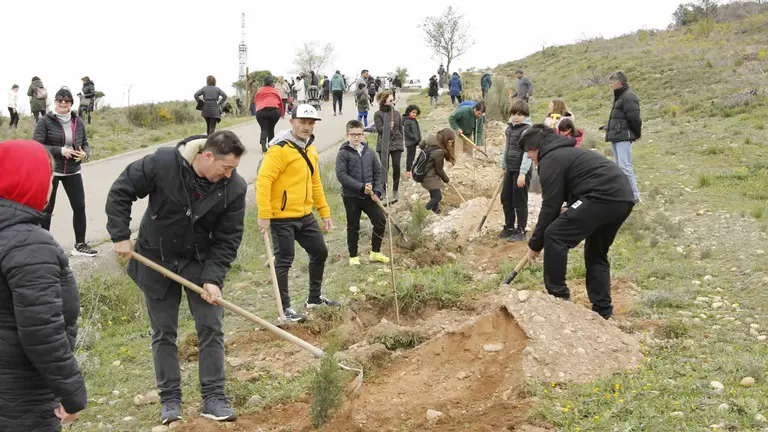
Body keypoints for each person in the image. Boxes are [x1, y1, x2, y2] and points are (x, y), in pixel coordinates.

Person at [106, 131, 247, 425]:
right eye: (226, 168)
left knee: (211, 326)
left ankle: (214, 397)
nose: (229, 174)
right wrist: (120, 235)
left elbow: (228, 238)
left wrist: (213, 278)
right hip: (155, 258)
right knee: (164, 332)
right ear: (207, 156)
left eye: (233, 169)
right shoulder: (163, 163)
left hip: (200, 260)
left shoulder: (234, 188)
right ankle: (171, 401)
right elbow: (122, 190)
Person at [0, 140, 87, 432]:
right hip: (20, 394)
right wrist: (71, 392)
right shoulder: (29, 244)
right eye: (48, 179)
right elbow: (43, 332)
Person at [520, 125, 635, 320]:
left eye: (529, 155)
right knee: (595, 253)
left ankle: (558, 298)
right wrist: (571, 208)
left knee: (555, 235)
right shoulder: (566, 153)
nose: (531, 160)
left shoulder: (551, 160)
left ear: (536, 148)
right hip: (622, 197)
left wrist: (535, 244)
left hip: (601, 196)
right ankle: (603, 311)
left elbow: (550, 207)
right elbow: (573, 190)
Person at [256, 104, 340, 323]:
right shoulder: (279, 150)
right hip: (281, 217)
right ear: (291, 122)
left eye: (311, 123)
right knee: (284, 260)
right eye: (302, 122)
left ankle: (314, 298)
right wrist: (264, 214)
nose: (306, 127)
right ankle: (284, 310)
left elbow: (315, 182)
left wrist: (324, 212)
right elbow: (263, 181)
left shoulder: (309, 149)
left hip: (305, 215)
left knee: (320, 251)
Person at [34, 88, 97, 257]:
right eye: (60, 100)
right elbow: (37, 146)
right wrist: (60, 151)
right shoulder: (45, 121)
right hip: (52, 171)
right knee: (46, 211)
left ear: (71, 103)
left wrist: (85, 153)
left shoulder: (78, 121)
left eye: (67, 101)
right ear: (55, 101)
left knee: (80, 207)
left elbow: (85, 143)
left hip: (73, 171)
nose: (63, 103)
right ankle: (43, 248)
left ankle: (80, 245)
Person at [335, 120, 389, 266]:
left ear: (363, 135)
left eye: (359, 134)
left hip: (369, 196)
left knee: (380, 221)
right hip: (351, 197)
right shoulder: (343, 154)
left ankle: (375, 253)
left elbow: (378, 172)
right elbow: (341, 175)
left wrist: (377, 190)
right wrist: (360, 187)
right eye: (353, 134)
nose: (356, 137)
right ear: (347, 135)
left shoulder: (370, 153)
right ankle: (353, 256)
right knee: (353, 226)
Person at [498, 99, 533, 242]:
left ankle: (521, 230)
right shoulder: (510, 129)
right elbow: (506, 147)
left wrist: (523, 173)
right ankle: (509, 227)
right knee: (506, 198)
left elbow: (528, 152)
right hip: (510, 168)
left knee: (519, 201)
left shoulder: (527, 130)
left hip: (521, 171)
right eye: (513, 114)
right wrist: (503, 164)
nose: (516, 117)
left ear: (525, 115)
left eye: (519, 114)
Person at [605, 71, 642, 203]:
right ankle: (624, 193)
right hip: (617, 136)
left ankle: (634, 195)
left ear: (618, 83)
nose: (610, 86)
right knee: (619, 167)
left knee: (625, 166)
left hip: (623, 136)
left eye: (611, 83)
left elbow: (634, 118)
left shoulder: (628, 96)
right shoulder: (620, 96)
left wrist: (636, 134)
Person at [373, 91, 404, 203]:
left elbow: (400, 128)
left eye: (393, 100)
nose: (393, 102)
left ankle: (395, 190)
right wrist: (388, 126)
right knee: (384, 167)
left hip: (396, 142)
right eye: (390, 100)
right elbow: (379, 129)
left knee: (396, 166)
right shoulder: (378, 114)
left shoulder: (396, 113)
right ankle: (383, 190)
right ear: (384, 101)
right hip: (384, 144)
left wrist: (401, 141)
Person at [418, 128, 455, 213]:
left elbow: (421, 145)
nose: (450, 144)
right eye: (449, 142)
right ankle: (423, 212)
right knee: (438, 197)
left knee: (434, 194)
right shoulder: (439, 152)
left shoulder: (430, 139)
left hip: (423, 172)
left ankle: (435, 211)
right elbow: (439, 170)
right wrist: (447, 180)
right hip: (428, 175)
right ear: (444, 139)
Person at [254, 76, 284, 153]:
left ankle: (263, 141)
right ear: (271, 83)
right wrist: (282, 114)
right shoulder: (275, 91)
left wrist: (257, 111)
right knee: (271, 129)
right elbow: (280, 102)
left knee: (264, 129)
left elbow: (256, 101)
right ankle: (271, 146)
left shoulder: (259, 90)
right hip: (274, 111)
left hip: (261, 111)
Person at [403, 104, 422, 178]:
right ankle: (408, 171)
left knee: (413, 157)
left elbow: (417, 130)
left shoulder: (414, 120)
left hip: (415, 142)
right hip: (410, 142)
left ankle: (411, 169)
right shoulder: (407, 121)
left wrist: (419, 137)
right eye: (413, 112)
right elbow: (407, 132)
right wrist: (414, 137)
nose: (415, 114)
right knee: (409, 157)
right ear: (409, 112)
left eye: (416, 113)